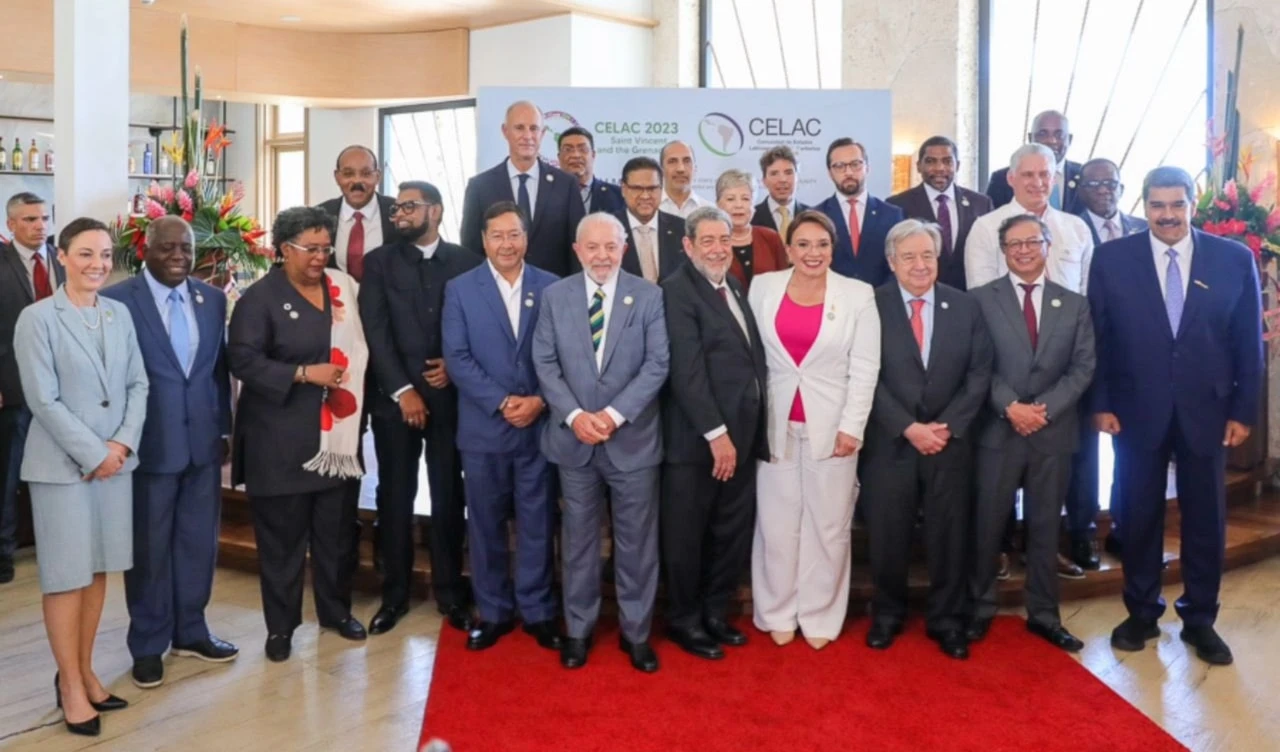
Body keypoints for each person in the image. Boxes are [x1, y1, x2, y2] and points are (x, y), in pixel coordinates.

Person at [1090, 166, 1262, 666]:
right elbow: (1098, 338)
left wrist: (1242, 410)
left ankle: (1200, 618)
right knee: (1137, 514)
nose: (1168, 215)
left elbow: (1247, 343)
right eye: (1158, 205)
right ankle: (1142, 611)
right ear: (1143, 206)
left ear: (1191, 204)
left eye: (1177, 205)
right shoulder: (1111, 259)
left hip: (1207, 413)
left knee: (1205, 519)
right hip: (1133, 411)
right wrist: (1100, 403)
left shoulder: (1233, 260)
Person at [14, 217, 147, 736]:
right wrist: (94, 453)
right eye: (86, 254)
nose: (97, 264)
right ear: (62, 256)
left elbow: (138, 384)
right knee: (67, 577)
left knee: (98, 572)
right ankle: (69, 683)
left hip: (115, 464)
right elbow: (42, 399)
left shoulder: (119, 314)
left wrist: (120, 445)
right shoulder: (38, 318)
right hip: (64, 468)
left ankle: (86, 669)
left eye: (105, 254)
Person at [101, 217, 238, 689]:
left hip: (202, 444)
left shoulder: (212, 299)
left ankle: (191, 631)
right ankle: (147, 644)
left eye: (186, 247)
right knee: (149, 550)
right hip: (147, 447)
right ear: (146, 251)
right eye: (168, 248)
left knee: (199, 544)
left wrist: (224, 427)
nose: (179, 255)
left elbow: (217, 372)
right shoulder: (118, 301)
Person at [228, 206, 369, 663]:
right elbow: (243, 360)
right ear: (284, 249)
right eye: (311, 248)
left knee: (335, 538)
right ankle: (281, 628)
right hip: (279, 442)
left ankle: (335, 612)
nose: (320, 257)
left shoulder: (341, 289)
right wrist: (304, 373)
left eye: (325, 248)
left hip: (336, 444)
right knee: (283, 545)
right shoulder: (260, 298)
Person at [533, 212, 669, 673]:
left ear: (624, 248)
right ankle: (578, 630)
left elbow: (657, 365)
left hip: (632, 441)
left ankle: (636, 634)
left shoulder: (649, 296)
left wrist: (610, 416)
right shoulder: (555, 297)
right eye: (592, 247)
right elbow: (545, 363)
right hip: (574, 442)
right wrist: (574, 416)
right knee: (578, 542)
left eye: (611, 246)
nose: (602, 255)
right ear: (577, 251)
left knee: (636, 544)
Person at [747, 210, 880, 650]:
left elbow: (865, 369)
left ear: (832, 248)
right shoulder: (762, 288)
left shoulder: (858, 295)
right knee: (777, 523)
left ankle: (821, 615)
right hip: (775, 423)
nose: (812, 253)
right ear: (788, 249)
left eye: (821, 244)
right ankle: (777, 610)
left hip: (833, 425)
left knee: (828, 525)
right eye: (803, 244)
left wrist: (852, 427)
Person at [861, 218, 992, 661]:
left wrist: (947, 426)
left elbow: (979, 375)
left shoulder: (966, 306)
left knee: (949, 535)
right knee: (887, 534)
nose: (920, 265)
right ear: (891, 261)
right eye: (910, 256)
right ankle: (887, 615)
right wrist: (907, 426)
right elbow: (863, 376)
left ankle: (947, 619)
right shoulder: (870, 305)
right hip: (891, 441)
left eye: (928, 255)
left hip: (948, 442)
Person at [967, 143, 1096, 580]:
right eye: (1029, 175)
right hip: (1002, 378)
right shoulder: (985, 228)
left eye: (1046, 175)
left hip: (1060, 386)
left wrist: (1049, 402)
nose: (1038, 182)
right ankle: (999, 550)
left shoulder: (1076, 229)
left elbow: (1084, 297)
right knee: (996, 489)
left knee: (1051, 489)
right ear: (1011, 178)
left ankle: (1046, 553)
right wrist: (1010, 399)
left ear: (1055, 178)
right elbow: (980, 310)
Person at [358, 182, 481, 635]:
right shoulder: (379, 263)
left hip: (451, 400)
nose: (400, 214)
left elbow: (477, 325)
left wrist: (455, 364)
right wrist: (402, 389)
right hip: (396, 404)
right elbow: (376, 330)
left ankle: (450, 592)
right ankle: (394, 595)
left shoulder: (468, 262)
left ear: (436, 211)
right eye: (397, 209)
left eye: (409, 207)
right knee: (395, 496)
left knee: (449, 495)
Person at [441, 201, 562, 652]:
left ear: (525, 238)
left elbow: (563, 355)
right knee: (486, 526)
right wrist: (502, 401)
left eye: (514, 235)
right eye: (497, 235)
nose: (506, 244)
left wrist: (539, 401)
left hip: (539, 427)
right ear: (483, 239)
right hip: (483, 430)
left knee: (537, 523)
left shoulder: (551, 287)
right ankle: (491, 612)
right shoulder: (460, 289)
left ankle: (537, 611)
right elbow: (457, 357)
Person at [661, 206, 770, 660]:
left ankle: (713, 613)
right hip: (698, 443)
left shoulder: (735, 286)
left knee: (729, 533)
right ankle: (685, 621)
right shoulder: (676, 291)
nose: (717, 249)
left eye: (724, 240)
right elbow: (687, 373)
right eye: (707, 240)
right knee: (688, 536)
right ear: (688, 246)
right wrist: (716, 433)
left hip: (742, 439)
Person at [1068, 157, 1149, 567]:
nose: (1105, 190)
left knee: (1131, 450)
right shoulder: (1067, 227)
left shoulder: (1143, 227)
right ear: (1079, 187)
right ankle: (1082, 532)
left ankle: (1124, 525)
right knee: (1085, 451)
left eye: (1112, 183)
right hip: (1082, 351)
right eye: (1095, 183)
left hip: (1133, 359)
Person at [0, 192, 64, 585]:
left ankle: (55, 544)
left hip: (61, 389)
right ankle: (3, 553)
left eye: (43, 218)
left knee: (56, 471)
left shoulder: (62, 259)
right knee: (7, 475)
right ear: (11, 225)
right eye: (29, 220)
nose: (39, 225)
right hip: (14, 387)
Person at [459, 100, 585, 276]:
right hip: (498, 295)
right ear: (505, 131)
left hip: (555, 293)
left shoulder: (566, 184)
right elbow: (470, 250)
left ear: (543, 133)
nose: (527, 136)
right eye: (519, 128)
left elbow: (578, 245)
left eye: (534, 128)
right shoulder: (480, 186)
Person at [886, 136, 993, 290]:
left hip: (970, 297)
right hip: (920, 294)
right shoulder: (897, 205)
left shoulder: (981, 204)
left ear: (958, 166)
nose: (939, 168)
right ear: (918, 166)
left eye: (947, 161)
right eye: (931, 161)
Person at [813, 138, 903, 286]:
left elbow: (900, 262)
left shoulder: (892, 215)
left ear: (867, 167)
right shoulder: (817, 216)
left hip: (881, 301)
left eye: (855, 164)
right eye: (839, 166)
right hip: (832, 302)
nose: (848, 172)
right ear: (830, 173)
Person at [317, 145, 397, 283]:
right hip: (335, 300)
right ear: (337, 177)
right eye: (348, 174)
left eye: (366, 174)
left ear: (377, 177)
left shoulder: (397, 211)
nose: (357, 181)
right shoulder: (320, 215)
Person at [986, 110, 1084, 213]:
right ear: (1030, 138)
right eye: (1042, 134)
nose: (1051, 140)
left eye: (1059, 135)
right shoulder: (1002, 179)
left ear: (1070, 139)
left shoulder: (1084, 177)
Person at [615, 156, 686, 283]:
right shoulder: (607, 230)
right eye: (637, 189)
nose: (645, 196)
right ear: (623, 189)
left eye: (652, 188)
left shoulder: (682, 229)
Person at [715, 169, 788, 291]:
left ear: (754, 204)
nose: (739, 205)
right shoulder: (711, 242)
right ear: (718, 205)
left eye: (745, 199)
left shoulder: (770, 237)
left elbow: (785, 281)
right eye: (730, 199)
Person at [558, 126, 625, 215]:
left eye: (583, 149)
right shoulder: (545, 195)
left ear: (593, 155)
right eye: (568, 150)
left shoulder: (618, 196)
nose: (575, 155)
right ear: (559, 157)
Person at [751, 145, 807, 237]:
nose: (782, 179)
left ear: (798, 178)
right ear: (764, 181)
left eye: (788, 172)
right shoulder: (751, 218)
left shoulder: (812, 215)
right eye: (774, 173)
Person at [658, 140, 713, 218]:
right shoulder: (650, 209)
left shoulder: (709, 211)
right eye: (672, 161)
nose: (681, 169)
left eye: (687, 161)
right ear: (661, 170)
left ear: (695, 169)